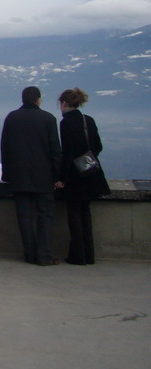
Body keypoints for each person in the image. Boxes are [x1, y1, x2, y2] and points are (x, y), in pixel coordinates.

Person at [0, 86, 62, 266]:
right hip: (43, 177)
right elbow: (55, 151)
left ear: (23, 99)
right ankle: (44, 255)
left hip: (19, 176)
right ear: (38, 100)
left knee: (24, 217)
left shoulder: (12, 118)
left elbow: (6, 147)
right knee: (46, 216)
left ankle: (30, 253)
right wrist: (56, 175)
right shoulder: (48, 119)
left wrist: (7, 174)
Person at [57, 87, 110, 265]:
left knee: (74, 214)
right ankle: (89, 254)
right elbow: (98, 147)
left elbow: (67, 153)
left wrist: (62, 178)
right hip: (91, 173)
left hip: (74, 176)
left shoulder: (66, 123)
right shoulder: (88, 120)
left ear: (64, 103)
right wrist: (87, 161)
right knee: (85, 213)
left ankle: (78, 255)